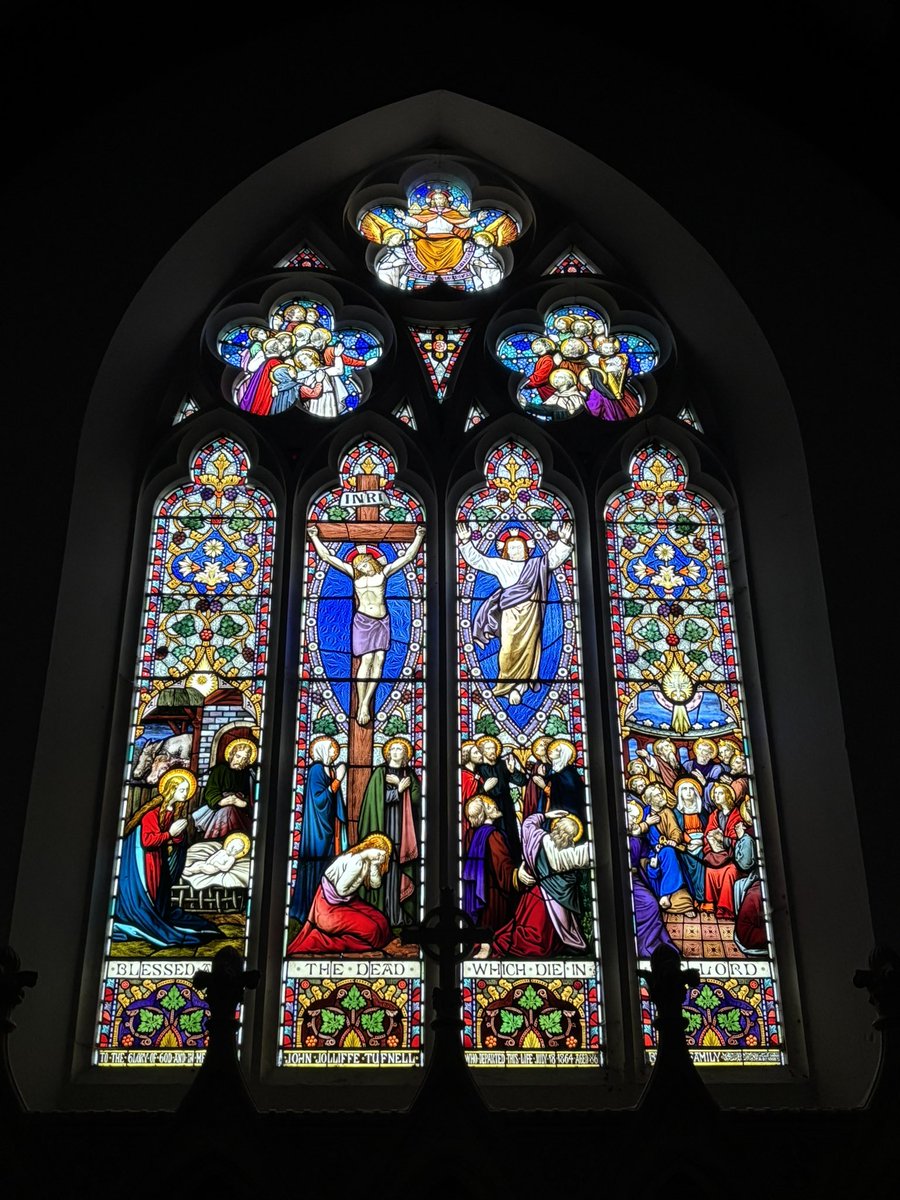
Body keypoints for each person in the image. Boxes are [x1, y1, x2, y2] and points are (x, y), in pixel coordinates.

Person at [309, 524, 427, 726]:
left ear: (372, 561)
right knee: (366, 660)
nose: (363, 569)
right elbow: (328, 557)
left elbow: (407, 557)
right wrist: (314, 537)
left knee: (379, 660)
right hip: (363, 621)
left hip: (382, 620)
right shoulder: (355, 575)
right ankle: (361, 706)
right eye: (360, 567)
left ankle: (366, 701)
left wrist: (419, 536)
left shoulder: (384, 573)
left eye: (364, 565)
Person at [458, 521, 574, 706]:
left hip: (531, 614)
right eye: (512, 548)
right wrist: (465, 542)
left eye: (519, 547)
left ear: (526, 550)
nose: (516, 551)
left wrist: (563, 541)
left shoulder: (536, 564)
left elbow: (553, 559)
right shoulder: (501, 565)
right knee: (508, 649)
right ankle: (504, 686)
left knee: (529, 649)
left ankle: (520, 687)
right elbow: (478, 561)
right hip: (510, 614)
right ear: (506, 551)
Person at [112, 769, 220, 948]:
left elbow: (174, 841)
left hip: (158, 858)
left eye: (187, 790)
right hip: (142, 861)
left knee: (160, 894)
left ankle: (157, 912)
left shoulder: (173, 812)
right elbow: (147, 841)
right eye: (182, 789)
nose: (186, 793)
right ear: (171, 789)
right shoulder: (151, 814)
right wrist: (170, 833)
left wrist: (178, 835)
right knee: (149, 895)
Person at [480, 810, 592, 959]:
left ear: (555, 827)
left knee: (530, 929)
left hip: (535, 895)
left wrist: (545, 816)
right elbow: (589, 853)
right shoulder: (570, 854)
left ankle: (495, 943)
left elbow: (528, 825)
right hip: (552, 900)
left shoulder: (539, 839)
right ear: (572, 837)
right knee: (541, 936)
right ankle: (499, 944)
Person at [286, 835, 394, 955]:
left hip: (347, 902)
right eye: (379, 853)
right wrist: (356, 884)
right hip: (328, 908)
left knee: (382, 923)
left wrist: (374, 865)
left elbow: (375, 884)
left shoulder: (365, 860)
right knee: (372, 931)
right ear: (371, 845)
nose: (380, 857)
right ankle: (317, 940)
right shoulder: (356, 861)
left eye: (383, 857)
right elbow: (341, 891)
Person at [356, 737, 420, 927]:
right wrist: (398, 790)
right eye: (393, 749)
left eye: (400, 749)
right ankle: (382, 916)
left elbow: (417, 800)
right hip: (384, 829)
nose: (396, 752)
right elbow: (375, 801)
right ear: (388, 753)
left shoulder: (409, 774)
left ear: (406, 754)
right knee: (385, 870)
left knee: (398, 872)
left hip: (404, 832)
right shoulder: (380, 773)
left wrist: (403, 786)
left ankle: (398, 917)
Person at [290, 736, 348, 925]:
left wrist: (336, 779)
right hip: (317, 828)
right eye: (331, 749)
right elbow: (318, 799)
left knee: (329, 865)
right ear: (322, 750)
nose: (334, 753)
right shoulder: (316, 769)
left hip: (329, 826)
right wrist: (338, 780)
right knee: (316, 863)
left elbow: (333, 799)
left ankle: (325, 908)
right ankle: (308, 908)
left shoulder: (328, 769)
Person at [461, 795, 521, 938]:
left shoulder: (470, 834)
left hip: (477, 892)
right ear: (484, 813)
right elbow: (503, 867)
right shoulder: (493, 835)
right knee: (494, 933)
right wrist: (517, 875)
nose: (494, 806)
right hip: (493, 895)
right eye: (489, 806)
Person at [193, 738, 256, 841]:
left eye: (244, 759)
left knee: (230, 811)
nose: (240, 761)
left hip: (241, 810)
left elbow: (252, 795)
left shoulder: (248, 774)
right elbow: (211, 790)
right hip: (217, 808)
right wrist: (221, 801)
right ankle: (218, 840)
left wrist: (244, 803)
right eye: (238, 756)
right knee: (227, 810)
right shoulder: (220, 769)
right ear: (232, 755)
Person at [476, 735, 521, 863]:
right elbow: (472, 793)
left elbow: (522, 781)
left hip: (506, 807)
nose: (492, 751)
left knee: (511, 836)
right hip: (488, 809)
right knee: (492, 837)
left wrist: (512, 771)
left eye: (494, 748)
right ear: (482, 751)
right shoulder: (478, 769)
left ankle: (514, 866)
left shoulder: (503, 765)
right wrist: (484, 789)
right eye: (488, 748)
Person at [181, 831, 252, 889]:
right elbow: (213, 856)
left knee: (201, 867)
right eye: (231, 846)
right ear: (228, 843)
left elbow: (225, 868)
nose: (231, 850)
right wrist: (207, 861)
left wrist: (218, 865)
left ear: (238, 852)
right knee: (198, 863)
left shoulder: (231, 858)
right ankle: (189, 869)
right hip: (208, 863)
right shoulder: (222, 851)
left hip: (214, 868)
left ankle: (189, 871)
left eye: (235, 850)